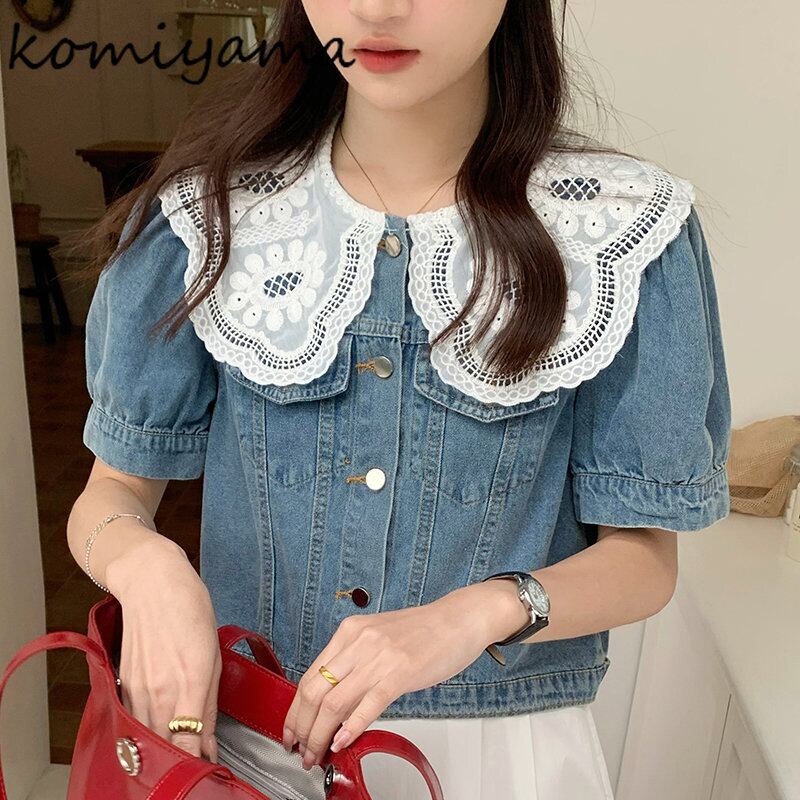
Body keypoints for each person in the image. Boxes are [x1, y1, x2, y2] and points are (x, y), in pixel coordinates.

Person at [67, 1, 732, 798]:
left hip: (501, 763)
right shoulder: (204, 217)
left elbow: (646, 560)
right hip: (247, 755)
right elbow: (111, 493)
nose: (380, 9)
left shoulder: (621, 232)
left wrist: (474, 615)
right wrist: (149, 568)